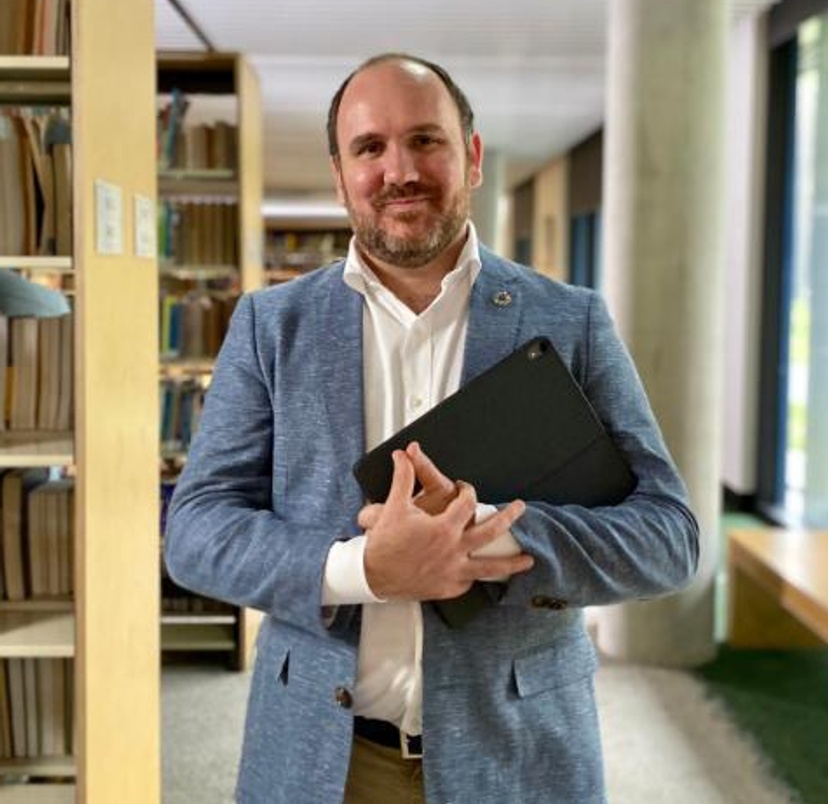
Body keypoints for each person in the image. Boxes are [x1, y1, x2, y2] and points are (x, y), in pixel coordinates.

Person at [164, 52, 699, 804]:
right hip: (322, 759)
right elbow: (194, 533)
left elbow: (669, 538)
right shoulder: (269, 326)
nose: (399, 170)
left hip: (519, 757)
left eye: (425, 140)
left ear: (472, 157)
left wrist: (494, 534)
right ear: (340, 172)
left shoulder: (570, 321)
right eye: (369, 147)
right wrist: (362, 569)